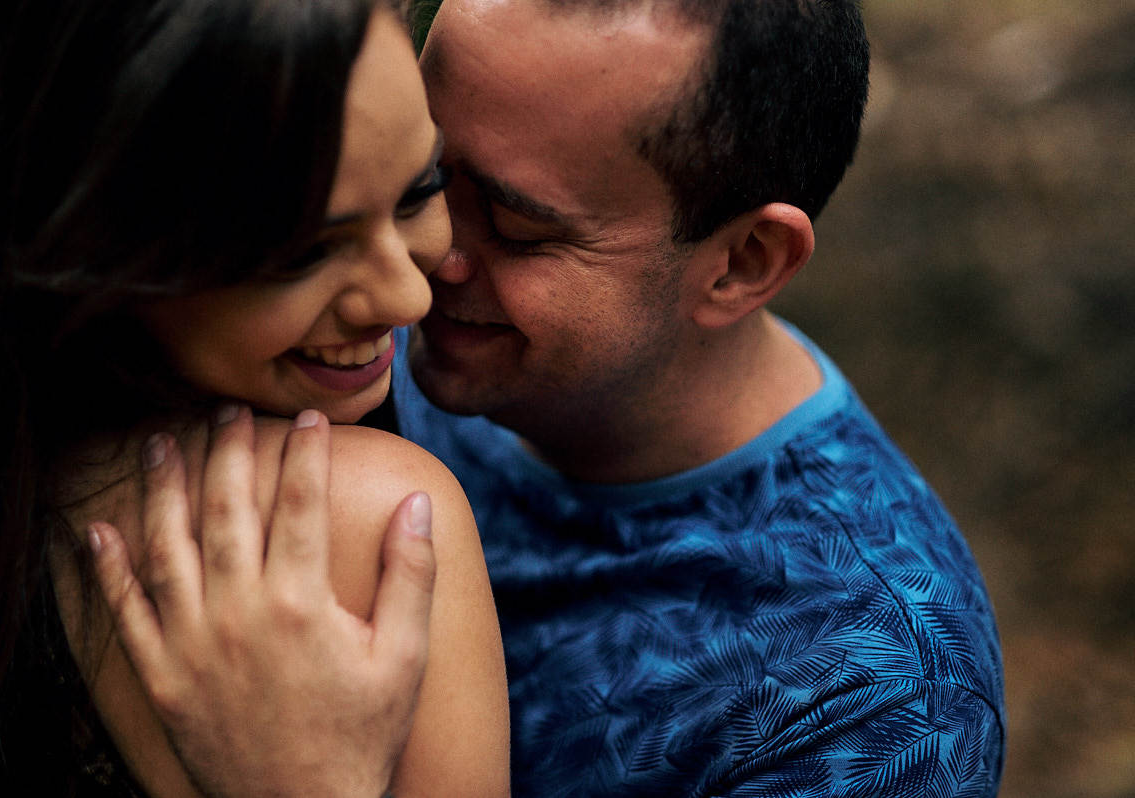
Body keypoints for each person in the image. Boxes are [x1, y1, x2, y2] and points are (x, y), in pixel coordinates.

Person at [385, 0, 1006, 794]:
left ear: (744, 261)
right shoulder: (367, 309)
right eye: (422, 178)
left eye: (514, 226)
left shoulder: (872, 703)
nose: (422, 252)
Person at [0, 0, 508, 795]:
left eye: (419, 190)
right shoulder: (381, 523)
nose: (408, 297)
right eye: (304, 250)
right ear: (97, 236)